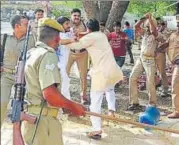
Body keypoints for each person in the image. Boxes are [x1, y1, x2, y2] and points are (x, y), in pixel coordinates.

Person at [22, 17, 86, 145]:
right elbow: (50, 94)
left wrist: (64, 105)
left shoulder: (31, 53)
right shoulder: (47, 54)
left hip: (32, 118)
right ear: (56, 39)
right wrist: (73, 106)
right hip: (43, 121)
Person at [66, 18, 123, 139]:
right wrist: (79, 34)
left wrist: (61, 40)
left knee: (95, 103)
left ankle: (96, 129)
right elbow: (86, 35)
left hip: (101, 73)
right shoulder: (101, 35)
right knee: (109, 90)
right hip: (112, 70)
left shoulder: (90, 37)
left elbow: (75, 46)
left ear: (88, 28)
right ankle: (111, 111)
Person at [0, 15, 36, 127]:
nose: (28, 26)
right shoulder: (4, 38)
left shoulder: (31, 39)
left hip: (24, 77)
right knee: (2, 103)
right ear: (17, 26)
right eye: (26, 24)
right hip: (6, 75)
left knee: (23, 106)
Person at [128, 13, 164, 110]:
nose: (147, 28)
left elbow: (153, 30)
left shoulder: (158, 34)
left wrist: (150, 19)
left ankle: (152, 104)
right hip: (141, 58)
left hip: (150, 60)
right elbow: (136, 26)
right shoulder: (144, 33)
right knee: (132, 78)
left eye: (149, 26)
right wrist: (143, 18)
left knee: (150, 82)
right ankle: (134, 102)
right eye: (146, 26)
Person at [157, 15, 179, 118]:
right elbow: (168, 43)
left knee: (175, 84)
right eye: (178, 25)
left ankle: (177, 111)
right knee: (175, 86)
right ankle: (177, 110)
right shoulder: (173, 35)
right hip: (175, 64)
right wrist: (159, 47)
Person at [66, 8, 89, 104]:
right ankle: (63, 94)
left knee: (83, 76)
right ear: (71, 16)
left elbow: (89, 35)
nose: (77, 17)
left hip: (82, 53)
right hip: (70, 53)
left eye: (78, 16)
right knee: (64, 74)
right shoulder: (66, 24)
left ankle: (83, 97)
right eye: (75, 15)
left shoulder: (85, 24)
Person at [56, 16, 73, 100]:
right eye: (66, 24)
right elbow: (60, 42)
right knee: (63, 83)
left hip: (65, 63)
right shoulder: (57, 34)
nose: (69, 25)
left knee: (65, 83)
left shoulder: (68, 33)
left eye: (69, 23)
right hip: (59, 64)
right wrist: (72, 40)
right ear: (60, 25)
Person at [156, 20, 172, 97]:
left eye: (162, 25)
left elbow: (166, 43)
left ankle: (165, 90)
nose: (161, 26)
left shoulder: (167, 32)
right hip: (152, 54)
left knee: (162, 72)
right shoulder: (154, 31)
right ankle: (155, 85)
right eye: (159, 25)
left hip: (161, 54)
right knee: (153, 72)